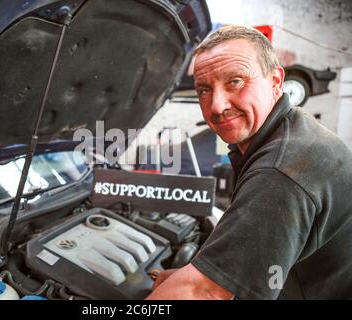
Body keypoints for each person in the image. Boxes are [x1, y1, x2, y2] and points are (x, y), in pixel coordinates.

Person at [146, 25, 352, 299]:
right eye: (204, 89)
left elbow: (205, 292)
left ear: (276, 81)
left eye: (235, 81)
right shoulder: (292, 130)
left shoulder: (281, 170)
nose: (217, 105)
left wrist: (197, 282)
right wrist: (195, 273)